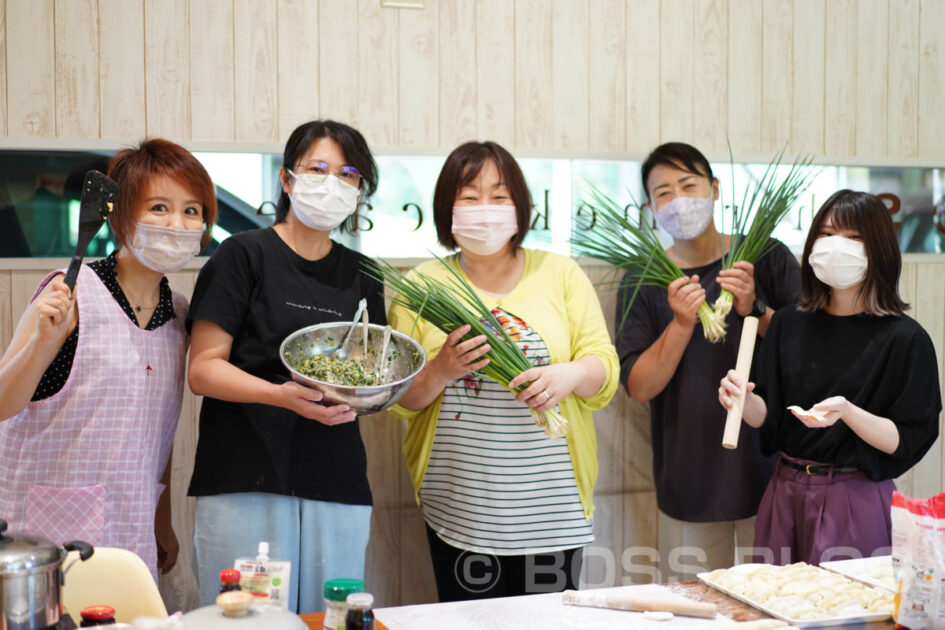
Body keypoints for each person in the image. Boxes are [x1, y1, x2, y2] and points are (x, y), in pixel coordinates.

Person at [388, 141, 619, 602]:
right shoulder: (422, 285)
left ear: (520, 205)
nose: (485, 209)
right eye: (469, 197)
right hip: (461, 508)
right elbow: (401, 399)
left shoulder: (560, 273)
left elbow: (604, 368)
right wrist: (442, 368)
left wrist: (570, 375)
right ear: (446, 209)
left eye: (499, 195)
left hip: (552, 509)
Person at [186, 120, 383, 613]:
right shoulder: (243, 255)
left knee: (330, 618)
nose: (332, 182)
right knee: (243, 621)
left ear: (360, 190)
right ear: (287, 179)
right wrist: (279, 395)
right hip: (245, 475)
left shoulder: (364, 276)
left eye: (348, 174)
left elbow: (374, 377)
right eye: (318, 168)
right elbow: (203, 369)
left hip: (335, 480)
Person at [0, 138, 217, 581]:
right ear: (119, 214)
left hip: (131, 524)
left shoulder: (177, 314)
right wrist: (43, 341)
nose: (176, 223)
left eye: (191, 211)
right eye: (159, 207)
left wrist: (163, 521)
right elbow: (4, 403)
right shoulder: (70, 291)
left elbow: (160, 431)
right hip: (44, 531)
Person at [719, 189, 941, 565]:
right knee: (776, 611)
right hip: (784, 492)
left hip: (855, 498)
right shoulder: (788, 322)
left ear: (880, 250)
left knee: (850, 615)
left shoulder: (906, 339)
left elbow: (906, 439)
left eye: (854, 238)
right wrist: (741, 400)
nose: (837, 246)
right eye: (825, 234)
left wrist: (848, 412)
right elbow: (770, 418)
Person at [615, 142, 801, 581]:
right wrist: (681, 323)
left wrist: (755, 308)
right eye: (663, 192)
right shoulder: (643, 279)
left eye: (688, 184)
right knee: (694, 611)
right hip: (689, 483)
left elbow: (811, 349)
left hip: (774, 474)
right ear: (650, 207)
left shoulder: (766, 257)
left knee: (776, 604)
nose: (678, 200)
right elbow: (639, 387)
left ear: (714, 188)